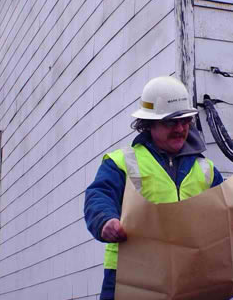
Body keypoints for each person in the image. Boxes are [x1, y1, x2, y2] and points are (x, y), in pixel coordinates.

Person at [84, 76, 224, 300]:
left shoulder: (206, 169)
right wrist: (104, 221)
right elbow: (99, 195)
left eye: (185, 120)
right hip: (129, 277)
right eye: (170, 122)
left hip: (189, 278)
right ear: (149, 124)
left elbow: (227, 218)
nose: (180, 128)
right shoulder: (122, 162)